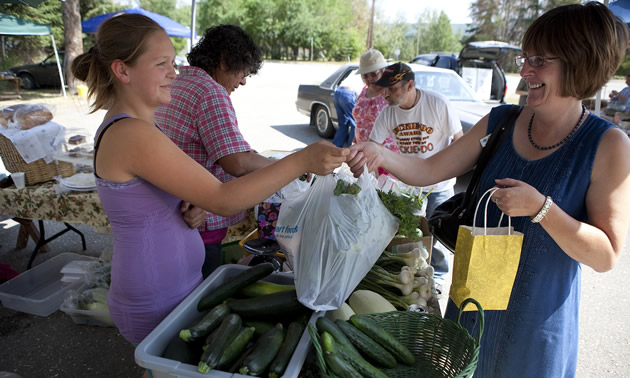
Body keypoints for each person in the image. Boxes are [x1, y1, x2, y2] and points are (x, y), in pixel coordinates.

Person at [346, 2, 630, 376]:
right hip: (473, 309)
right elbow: (430, 168)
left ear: (581, 63)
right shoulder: (501, 121)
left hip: (536, 330)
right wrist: (379, 152)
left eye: (540, 61)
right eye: (525, 58)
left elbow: (606, 255)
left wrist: (541, 209)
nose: (525, 71)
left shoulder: (609, 145)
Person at [71, 14, 347, 349]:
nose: (174, 72)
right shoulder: (130, 132)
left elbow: (172, 196)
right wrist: (301, 161)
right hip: (154, 296)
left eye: (173, 62)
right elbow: (223, 198)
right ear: (122, 70)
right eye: (161, 64)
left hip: (175, 287)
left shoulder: (142, 126)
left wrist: (186, 204)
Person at [154, 25, 275, 279]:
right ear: (224, 60)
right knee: (200, 294)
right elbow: (236, 163)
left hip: (175, 210)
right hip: (199, 220)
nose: (243, 81)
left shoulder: (180, 81)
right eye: (243, 71)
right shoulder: (210, 91)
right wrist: (287, 165)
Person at [369, 62, 463, 289]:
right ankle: (416, 276)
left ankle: (438, 278)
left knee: (438, 235)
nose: (386, 95)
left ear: (409, 85)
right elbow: (372, 146)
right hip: (409, 185)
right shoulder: (388, 113)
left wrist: (448, 170)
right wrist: (371, 182)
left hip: (440, 186)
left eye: (392, 89)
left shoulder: (438, 104)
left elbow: (459, 141)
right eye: (384, 89)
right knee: (412, 235)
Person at [352, 49, 400, 166]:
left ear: (383, 72)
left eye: (374, 74)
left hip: (384, 156)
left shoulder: (389, 93)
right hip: (364, 154)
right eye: (365, 76)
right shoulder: (364, 91)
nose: (370, 79)